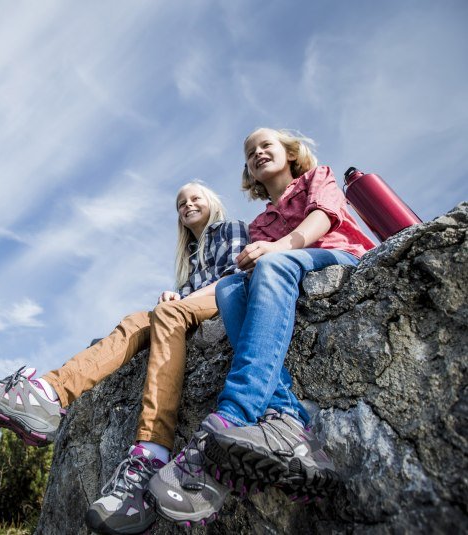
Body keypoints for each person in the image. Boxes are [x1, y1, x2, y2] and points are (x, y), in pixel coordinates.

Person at [0, 181, 249, 535]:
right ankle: (47, 394)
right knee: (134, 320)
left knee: (165, 314)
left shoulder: (228, 229)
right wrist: (176, 295)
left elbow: (233, 278)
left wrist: (181, 302)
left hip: (224, 296)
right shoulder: (189, 257)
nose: (187, 205)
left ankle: (152, 455)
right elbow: (185, 302)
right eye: (180, 203)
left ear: (212, 203)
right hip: (188, 309)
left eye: (194, 198)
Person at [148, 128, 376, 527]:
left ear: (290, 153)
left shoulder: (315, 177)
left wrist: (282, 247)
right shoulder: (259, 224)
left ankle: (231, 415)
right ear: (249, 173)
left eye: (265, 146)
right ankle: (287, 419)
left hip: (339, 254)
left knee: (269, 265)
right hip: (284, 268)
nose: (257, 154)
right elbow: (250, 275)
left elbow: (323, 218)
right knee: (232, 289)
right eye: (249, 153)